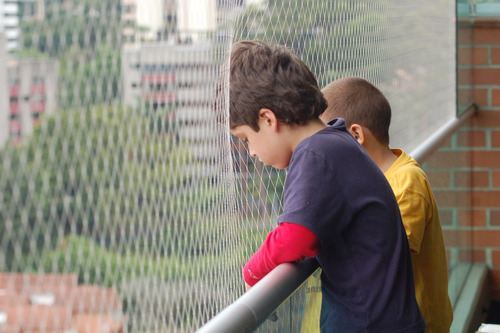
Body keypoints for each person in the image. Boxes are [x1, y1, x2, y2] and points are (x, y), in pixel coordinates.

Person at [228, 40, 425, 332]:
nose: (252, 152)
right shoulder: (337, 141)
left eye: (246, 139)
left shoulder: (316, 155)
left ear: (268, 119)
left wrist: (252, 271)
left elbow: (296, 236)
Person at [320, 76, 453, 333]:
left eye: (327, 141)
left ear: (356, 135)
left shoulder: (406, 182)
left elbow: (385, 253)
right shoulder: (366, 184)